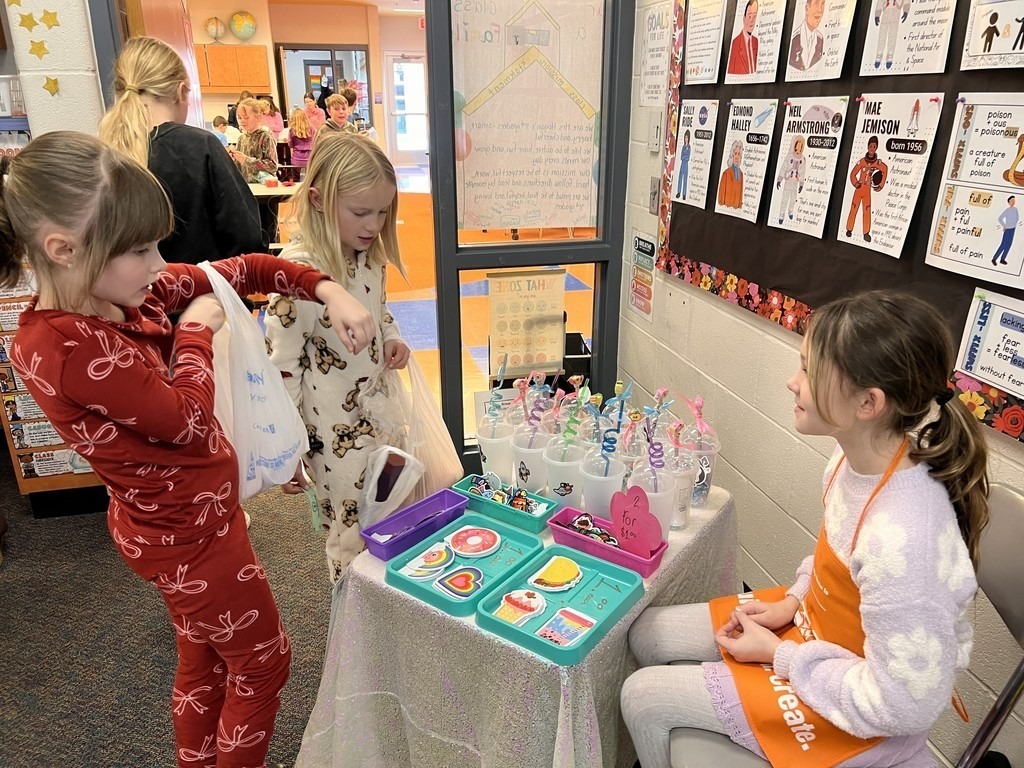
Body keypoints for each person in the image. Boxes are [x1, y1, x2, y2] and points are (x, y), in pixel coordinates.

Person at [0, 131, 375, 768]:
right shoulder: (64, 348)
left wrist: (327, 290)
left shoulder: (121, 295)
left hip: (183, 521)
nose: (158, 264)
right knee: (263, 663)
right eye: (140, 249)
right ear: (64, 249)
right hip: (189, 537)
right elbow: (187, 421)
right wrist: (197, 330)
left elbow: (243, 269)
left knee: (204, 661)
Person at [621, 289, 988, 768]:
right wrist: (792, 602)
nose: (792, 383)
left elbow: (901, 707)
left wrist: (780, 656)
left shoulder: (904, 538)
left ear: (868, 403)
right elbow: (831, 558)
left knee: (643, 698)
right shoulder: (850, 460)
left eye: (809, 372)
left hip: (864, 717)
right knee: (646, 634)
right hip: (813, 632)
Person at [265, 133, 410, 584]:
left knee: (388, 508)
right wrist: (285, 447)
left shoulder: (369, 255)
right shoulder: (297, 274)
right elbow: (281, 367)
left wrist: (392, 337)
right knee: (349, 532)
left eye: (382, 212)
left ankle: (382, 600)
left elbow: (380, 309)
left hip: (379, 412)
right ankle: (351, 611)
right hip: (331, 434)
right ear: (319, 200)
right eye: (361, 212)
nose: (374, 224)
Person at [98, 37, 262, 264]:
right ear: (180, 91)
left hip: (131, 287)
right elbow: (247, 240)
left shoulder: (104, 153)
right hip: (202, 283)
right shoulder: (200, 147)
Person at [845, 135, 887, 244]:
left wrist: (880, 185)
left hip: (867, 190)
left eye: (874, 147)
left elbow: (885, 169)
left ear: (876, 148)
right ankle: (849, 229)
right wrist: (855, 183)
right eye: (870, 146)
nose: (872, 149)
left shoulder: (877, 163)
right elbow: (853, 173)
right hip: (859, 189)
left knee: (866, 211)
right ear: (868, 147)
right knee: (854, 208)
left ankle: (866, 233)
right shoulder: (862, 161)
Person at [229, 97, 278, 183]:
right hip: (246, 186)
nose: (242, 121)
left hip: (263, 186)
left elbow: (273, 166)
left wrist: (246, 160)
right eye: (239, 118)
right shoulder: (241, 139)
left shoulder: (265, 136)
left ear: (258, 117)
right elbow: (238, 168)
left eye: (246, 117)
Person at [775, 136, 805, 224]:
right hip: (788, 180)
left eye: (800, 145)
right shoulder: (789, 157)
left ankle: (790, 211)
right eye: (797, 145)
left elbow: (803, 172)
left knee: (793, 199)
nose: (798, 147)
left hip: (795, 182)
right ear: (795, 145)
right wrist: (779, 179)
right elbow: (783, 168)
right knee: (785, 198)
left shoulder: (802, 159)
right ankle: (781, 214)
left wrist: (801, 184)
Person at [789, 0, 825, 71]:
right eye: (816, 4)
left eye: (822, 4)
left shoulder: (820, 39)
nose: (820, 10)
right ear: (807, 8)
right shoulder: (794, 38)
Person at [874, 0, 910, 69]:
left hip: (895, 11)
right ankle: (879, 54)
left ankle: (890, 55)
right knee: (882, 35)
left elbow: (907, 1)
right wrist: (877, 15)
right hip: (886, 12)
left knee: (892, 35)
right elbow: (880, 2)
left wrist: (905, 11)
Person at [727, 0, 759, 75]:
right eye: (749, 16)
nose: (752, 20)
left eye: (754, 16)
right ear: (744, 19)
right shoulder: (735, 43)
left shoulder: (756, 41)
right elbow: (731, 73)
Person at [287, 108, 313, 177]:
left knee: (295, 178)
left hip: (297, 158)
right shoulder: (312, 129)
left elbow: (290, 144)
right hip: (309, 158)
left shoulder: (292, 130)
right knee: (310, 178)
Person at [718, 140, 744, 209]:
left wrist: (739, 207)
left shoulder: (741, 174)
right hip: (726, 208)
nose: (736, 157)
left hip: (736, 210)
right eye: (735, 153)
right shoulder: (726, 173)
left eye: (739, 154)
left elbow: (740, 196)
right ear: (732, 155)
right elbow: (721, 199)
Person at [993, 195, 1018, 266]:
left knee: (1009, 244)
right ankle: (994, 258)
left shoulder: (1015, 209)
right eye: (1012, 201)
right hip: (1007, 229)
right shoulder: (1007, 210)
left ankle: (1002, 259)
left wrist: (1014, 224)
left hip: (1013, 229)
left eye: (1014, 200)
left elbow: (1017, 218)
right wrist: (1004, 225)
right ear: (1009, 202)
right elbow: (1000, 218)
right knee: (1003, 244)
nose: (1013, 202)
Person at [675, 129, 691, 200]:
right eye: (685, 137)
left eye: (687, 137)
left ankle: (684, 194)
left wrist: (685, 157)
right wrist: (684, 157)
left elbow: (688, 157)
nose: (686, 139)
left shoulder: (689, 147)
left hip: (686, 164)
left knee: (685, 179)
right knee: (680, 177)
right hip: (682, 163)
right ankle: (679, 192)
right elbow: (681, 156)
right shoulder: (683, 147)